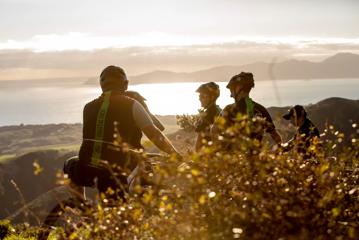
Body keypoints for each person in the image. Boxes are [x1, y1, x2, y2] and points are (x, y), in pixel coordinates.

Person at [74, 65, 180, 199]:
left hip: (89, 167)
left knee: (70, 166)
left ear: (102, 86)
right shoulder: (131, 104)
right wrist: (176, 155)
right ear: (126, 84)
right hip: (121, 166)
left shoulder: (88, 107)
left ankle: (82, 207)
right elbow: (154, 134)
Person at [218, 72, 282, 147]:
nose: (231, 95)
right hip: (255, 155)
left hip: (235, 156)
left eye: (232, 90)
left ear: (239, 88)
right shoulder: (261, 109)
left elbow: (214, 130)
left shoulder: (229, 109)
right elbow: (276, 136)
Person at [194, 82, 222, 151]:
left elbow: (200, 140)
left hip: (208, 155)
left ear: (212, 98)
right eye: (199, 96)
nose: (199, 99)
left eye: (202, 96)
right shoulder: (219, 110)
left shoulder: (209, 114)